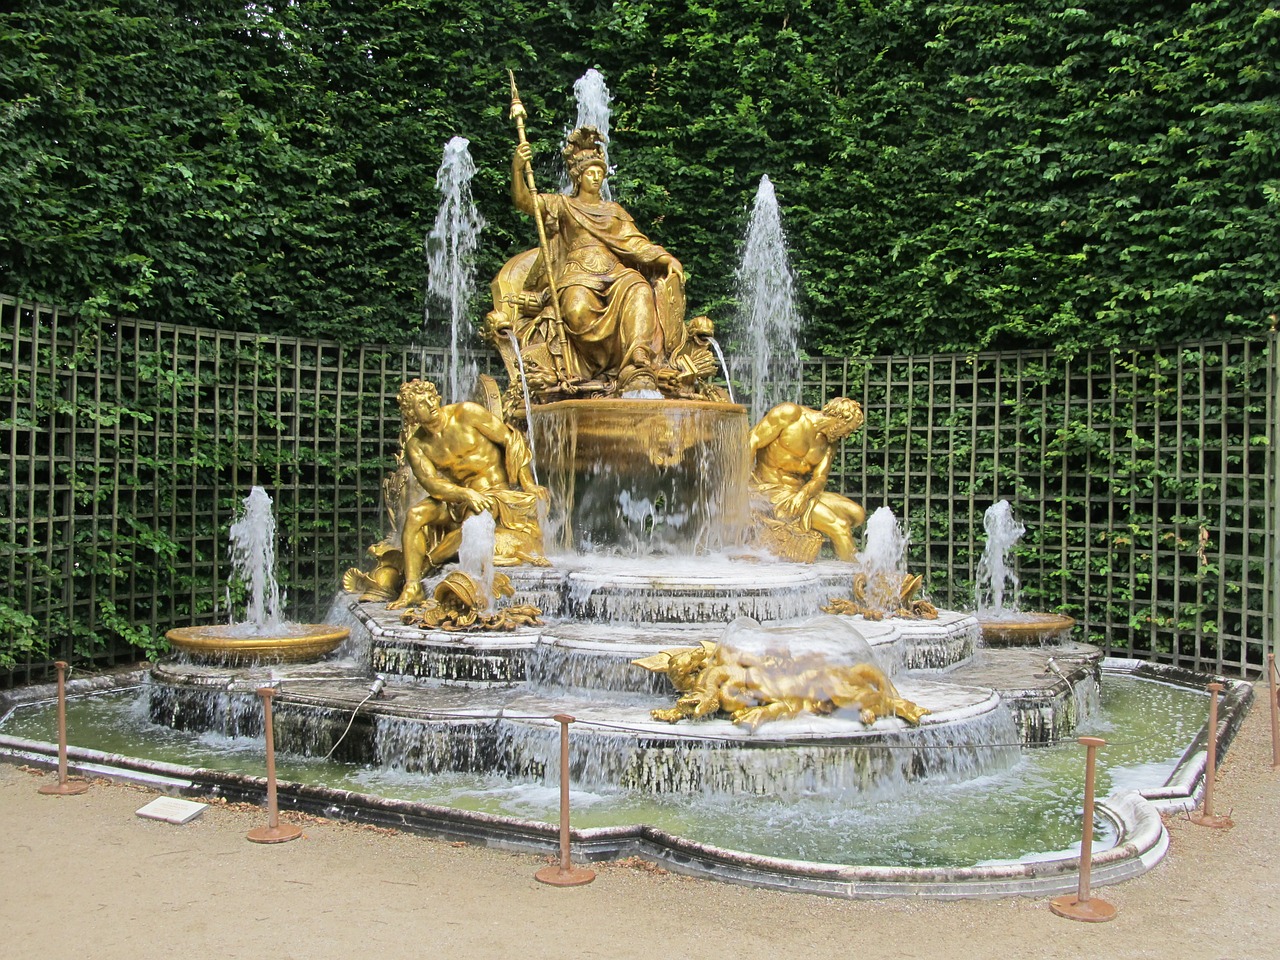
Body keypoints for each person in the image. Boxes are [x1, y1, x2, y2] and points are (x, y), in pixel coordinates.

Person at [509, 125, 684, 394]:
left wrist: (664, 258)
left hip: (614, 271)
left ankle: (637, 357)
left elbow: (633, 242)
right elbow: (524, 201)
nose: (595, 178)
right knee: (576, 311)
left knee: (639, 289)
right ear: (577, 177)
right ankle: (592, 367)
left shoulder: (613, 211)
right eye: (590, 173)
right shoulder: (563, 205)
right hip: (578, 272)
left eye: (599, 173)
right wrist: (518, 168)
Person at [387, 379, 547, 609]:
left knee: (473, 522)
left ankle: (428, 563)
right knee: (415, 515)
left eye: (431, 396)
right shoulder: (417, 446)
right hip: (459, 497)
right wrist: (465, 494)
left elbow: (511, 439)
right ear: (412, 413)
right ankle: (412, 586)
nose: (430, 403)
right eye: (421, 403)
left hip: (495, 491)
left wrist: (528, 483)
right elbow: (432, 485)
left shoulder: (466, 413)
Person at [748, 398, 867, 562]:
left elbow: (820, 477)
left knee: (857, 514)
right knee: (839, 526)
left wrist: (804, 494)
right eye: (848, 429)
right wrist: (741, 484)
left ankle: (842, 559)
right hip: (770, 491)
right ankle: (858, 580)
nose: (846, 434)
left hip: (799, 493)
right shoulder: (790, 414)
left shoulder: (830, 444)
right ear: (839, 418)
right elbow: (751, 441)